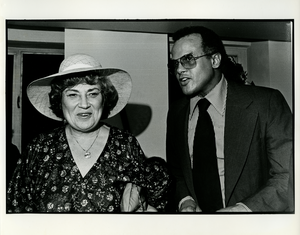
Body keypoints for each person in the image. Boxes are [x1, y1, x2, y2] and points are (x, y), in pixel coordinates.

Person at [7, 53, 170, 213]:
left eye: (92, 93)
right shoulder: (38, 148)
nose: (84, 104)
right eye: (72, 94)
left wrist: (140, 200)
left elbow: (157, 191)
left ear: (104, 98)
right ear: (60, 100)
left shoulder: (125, 144)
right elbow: (15, 210)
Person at [166, 26, 293, 212]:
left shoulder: (265, 104)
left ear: (215, 60)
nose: (179, 70)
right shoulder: (176, 112)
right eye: (174, 64)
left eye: (188, 60)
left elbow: (288, 176)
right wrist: (185, 200)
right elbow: (177, 172)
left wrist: (241, 211)